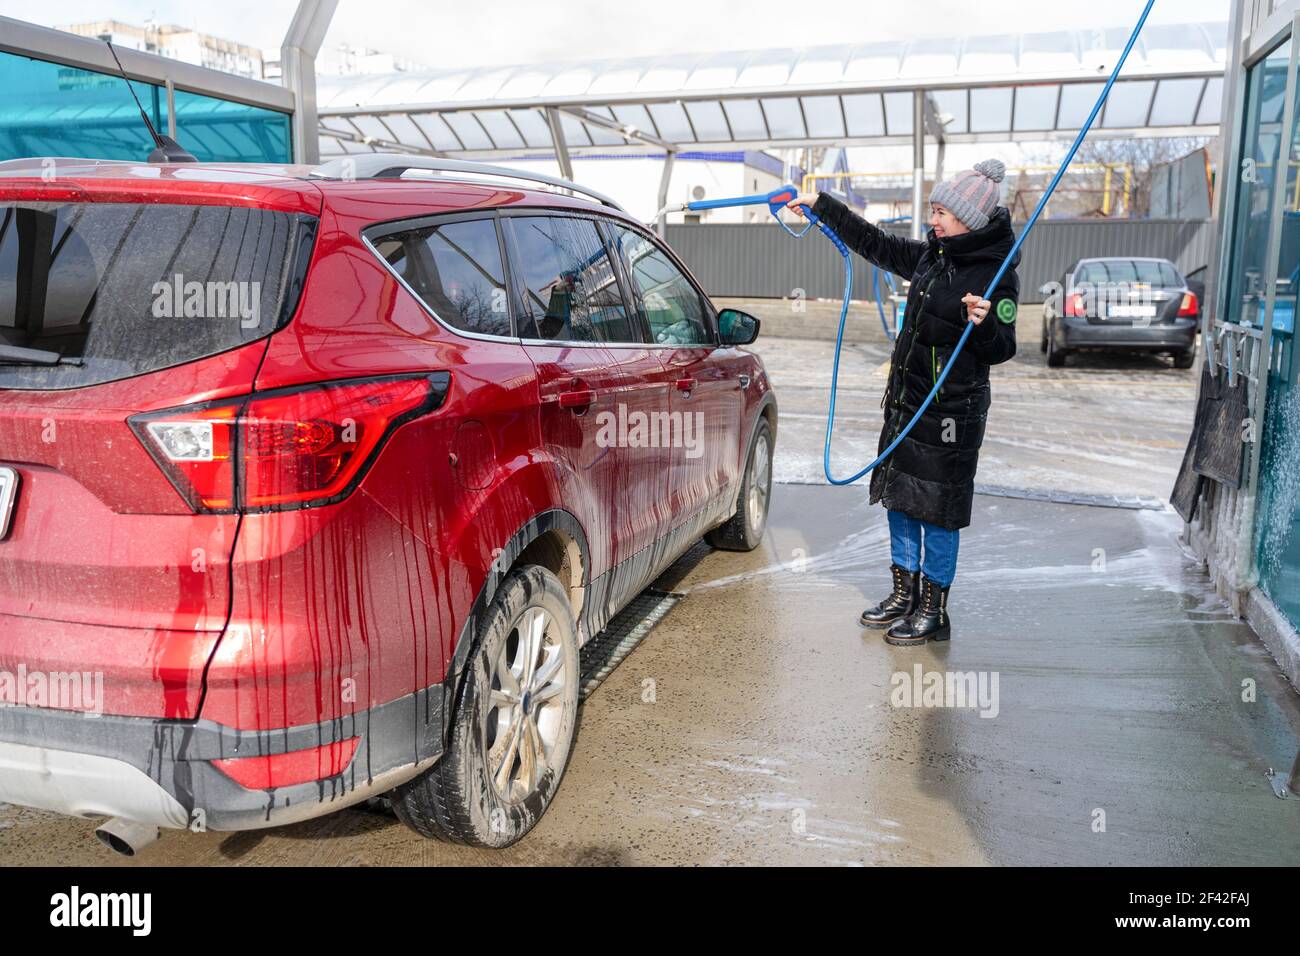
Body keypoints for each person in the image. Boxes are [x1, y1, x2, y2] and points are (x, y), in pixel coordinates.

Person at [787, 159, 1020, 646]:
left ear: (969, 219)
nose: (933, 221)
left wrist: (985, 324)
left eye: (941, 213)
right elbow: (877, 243)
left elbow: (1002, 348)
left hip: (951, 415)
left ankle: (934, 610)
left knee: (938, 509)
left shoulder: (995, 272)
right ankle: (904, 594)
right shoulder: (934, 256)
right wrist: (823, 206)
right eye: (934, 211)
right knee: (901, 499)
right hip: (907, 404)